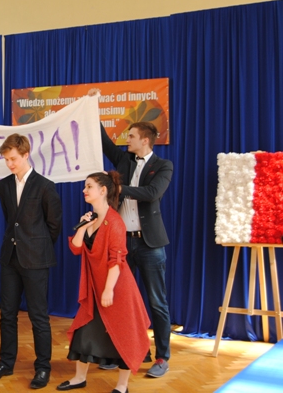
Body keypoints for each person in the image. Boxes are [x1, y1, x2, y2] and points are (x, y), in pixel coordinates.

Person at [58, 171, 151, 393]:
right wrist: (82, 226)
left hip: (117, 288)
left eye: (89, 186)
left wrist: (109, 290)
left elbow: (116, 260)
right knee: (84, 332)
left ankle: (122, 386)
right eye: (85, 186)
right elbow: (76, 248)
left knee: (124, 334)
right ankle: (79, 378)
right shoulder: (91, 219)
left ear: (103, 191)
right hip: (95, 287)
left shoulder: (115, 222)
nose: (84, 190)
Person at [0, 133, 63, 389]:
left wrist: (36, 247)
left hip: (36, 260)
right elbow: (12, 220)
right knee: (7, 314)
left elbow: (54, 225)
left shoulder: (45, 185)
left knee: (39, 316)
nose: (9, 164)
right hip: (10, 258)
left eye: (13, 159)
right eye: (6, 159)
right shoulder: (4, 185)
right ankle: (6, 363)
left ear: (26, 155)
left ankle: (43, 367)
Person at [100, 116, 173, 378]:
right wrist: (91, 110)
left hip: (150, 244)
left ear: (144, 140)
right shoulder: (124, 160)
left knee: (157, 302)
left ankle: (162, 357)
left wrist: (118, 187)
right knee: (122, 300)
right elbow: (105, 143)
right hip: (123, 244)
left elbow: (152, 193)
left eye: (131, 136)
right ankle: (127, 351)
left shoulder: (163, 165)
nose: (126, 139)